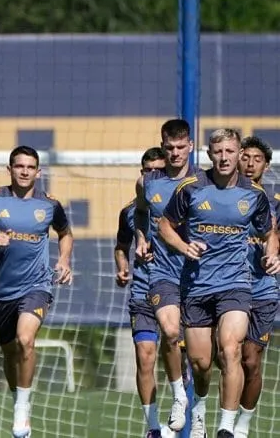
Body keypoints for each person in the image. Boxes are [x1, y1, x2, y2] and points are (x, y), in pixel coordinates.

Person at [159, 129, 280, 438]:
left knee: (231, 348)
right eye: (218, 152)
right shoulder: (191, 188)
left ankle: (227, 427)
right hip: (197, 285)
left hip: (236, 285)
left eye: (230, 151)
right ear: (209, 154)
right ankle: (199, 407)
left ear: (238, 153)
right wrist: (183, 246)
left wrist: (272, 254)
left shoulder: (254, 194)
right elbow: (165, 225)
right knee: (201, 363)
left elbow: (269, 232)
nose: (224, 158)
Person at [0, 145, 73, 438]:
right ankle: (18, 398)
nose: (24, 172)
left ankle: (22, 408)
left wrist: (64, 260)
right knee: (10, 351)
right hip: (2, 292)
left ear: (38, 172)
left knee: (26, 339)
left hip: (37, 286)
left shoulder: (50, 205)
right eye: (19, 166)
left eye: (30, 167)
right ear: (9, 169)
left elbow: (65, 233)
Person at [135, 119, 197, 432]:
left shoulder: (204, 182)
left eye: (180, 147)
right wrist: (140, 238)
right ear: (162, 146)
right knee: (170, 332)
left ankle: (199, 414)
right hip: (162, 274)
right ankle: (177, 397)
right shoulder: (148, 182)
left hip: (200, 277)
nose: (175, 153)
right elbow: (140, 213)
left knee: (203, 359)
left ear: (191, 146)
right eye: (169, 147)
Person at [114, 147, 166, 438]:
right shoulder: (129, 212)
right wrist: (123, 268)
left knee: (191, 358)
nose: (153, 176)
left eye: (159, 171)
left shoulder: (181, 204)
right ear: (141, 173)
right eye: (148, 171)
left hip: (178, 291)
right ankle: (153, 427)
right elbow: (121, 247)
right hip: (143, 291)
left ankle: (194, 417)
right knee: (145, 356)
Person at [233, 136, 280, 438]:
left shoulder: (275, 205)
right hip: (227, 288)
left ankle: (242, 424)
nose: (250, 164)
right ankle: (218, 420)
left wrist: (275, 256)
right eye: (245, 157)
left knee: (250, 360)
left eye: (257, 159)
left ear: (267, 166)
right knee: (223, 357)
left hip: (262, 290)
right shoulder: (222, 198)